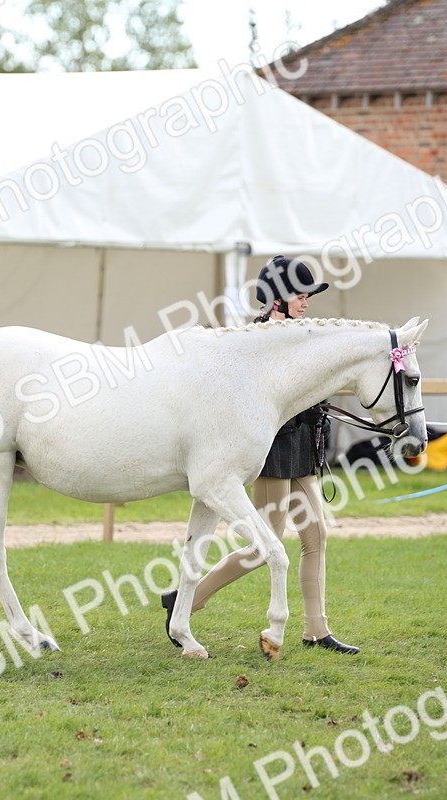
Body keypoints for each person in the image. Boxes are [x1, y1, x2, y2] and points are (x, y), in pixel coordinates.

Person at [161, 255, 360, 655]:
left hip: (302, 446)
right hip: (271, 449)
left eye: (307, 296)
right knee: (262, 546)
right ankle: (188, 600)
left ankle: (316, 630)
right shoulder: (256, 342)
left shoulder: (303, 336)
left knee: (315, 534)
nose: (306, 303)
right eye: (299, 296)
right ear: (277, 299)